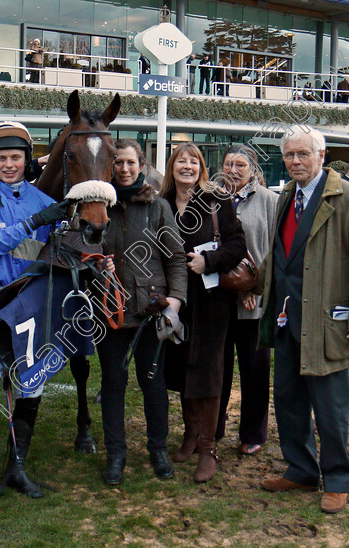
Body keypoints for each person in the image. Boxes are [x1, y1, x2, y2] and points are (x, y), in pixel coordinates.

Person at [258, 126, 349, 515]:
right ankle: (301, 470)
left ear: (321, 155)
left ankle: (338, 480)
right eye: (290, 155)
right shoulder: (287, 196)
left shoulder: (347, 197)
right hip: (286, 321)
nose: (295, 161)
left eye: (302, 155)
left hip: (328, 324)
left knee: (329, 410)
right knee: (289, 403)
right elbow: (283, 255)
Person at [0, 121, 71, 507]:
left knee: (32, 379)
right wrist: (36, 222)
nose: (9, 164)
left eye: (16, 157)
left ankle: (16, 467)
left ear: (26, 160)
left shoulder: (42, 199)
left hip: (32, 299)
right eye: (2, 158)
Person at [98, 139, 187, 486]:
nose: (123, 169)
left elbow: (176, 258)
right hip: (110, 310)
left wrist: (176, 299)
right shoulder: (97, 205)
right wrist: (95, 260)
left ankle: (158, 449)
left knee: (153, 383)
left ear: (141, 165)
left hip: (151, 311)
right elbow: (77, 249)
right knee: (113, 383)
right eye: (117, 162)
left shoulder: (158, 206)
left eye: (130, 162)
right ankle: (115, 454)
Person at [160, 143, 246, 483]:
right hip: (174, 300)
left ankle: (208, 447)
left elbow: (237, 244)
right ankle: (190, 435)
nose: (187, 166)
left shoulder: (216, 201)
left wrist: (208, 261)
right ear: (172, 167)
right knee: (181, 368)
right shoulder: (160, 204)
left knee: (208, 369)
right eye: (181, 160)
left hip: (211, 300)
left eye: (193, 161)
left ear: (201, 169)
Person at [214, 145, 276, 456]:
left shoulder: (268, 201)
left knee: (255, 370)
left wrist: (255, 289)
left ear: (253, 169)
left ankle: (253, 433)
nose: (234, 170)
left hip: (255, 304)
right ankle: (213, 429)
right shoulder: (211, 199)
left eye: (241, 165)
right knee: (218, 369)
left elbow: (275, 251)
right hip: (219, 300)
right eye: (228, 164)